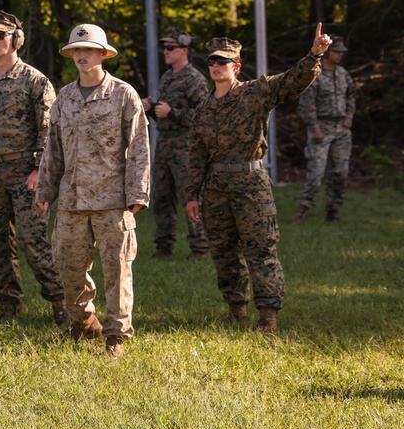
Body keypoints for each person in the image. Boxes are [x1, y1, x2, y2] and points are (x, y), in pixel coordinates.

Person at [186, 25, 331, 334]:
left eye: (223, 62)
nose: (216, 66)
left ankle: (268, 319)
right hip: (215, 188)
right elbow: (196, 154)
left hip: (250, 184)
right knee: (224, 253)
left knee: (261, 251)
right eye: (212, 61)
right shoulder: (203, 107)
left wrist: (315, 54)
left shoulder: (255, 91)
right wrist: (190, 195)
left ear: (236, 67)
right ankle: (236, 311)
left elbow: (293, 81)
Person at [37, 24, 150, 359]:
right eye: (76, 51)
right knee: (67, 266)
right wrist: (45, 190)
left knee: (117, 269)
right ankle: (84, 323)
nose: (81, 56)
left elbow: (139, 146)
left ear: (103, 54)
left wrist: (138, 194)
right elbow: (52, 150)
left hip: (113, 200)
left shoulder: (123, 94)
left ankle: (116, 335)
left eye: (88, 50)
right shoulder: (64, 99)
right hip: (72, 200)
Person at [0, 11, 66, 324]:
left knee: (33, 240)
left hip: (25, 171)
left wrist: (38, 170)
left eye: (0, 35)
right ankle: (9, 304)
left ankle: (59, 301)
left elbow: (50, 130)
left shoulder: (35, 81)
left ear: (16, 40)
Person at [142, 28, 211, 260]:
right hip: (164, 145)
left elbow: (204, 116)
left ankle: (200, 248)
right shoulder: (167, 77)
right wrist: (151, 109)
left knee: (190, 197)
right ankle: (163, 247)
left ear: (184, 50)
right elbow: (164, 114)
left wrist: (173, 113)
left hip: (186, 147)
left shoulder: (194, 79)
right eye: (164, 47)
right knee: (162, 198)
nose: (166, 51)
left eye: (170, 48)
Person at [295, 36, 356, 223]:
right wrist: (314, 128)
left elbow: (351, 96)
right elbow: (306, 104)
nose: (339, 55)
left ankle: (333, 211)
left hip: (341, 130)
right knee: (316, 172)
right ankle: (303, 211)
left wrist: (349, 116)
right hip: (322, 127)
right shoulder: (316, 74)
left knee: (340, 172)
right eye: (336, 52)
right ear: (328, 52)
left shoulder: (343, 74)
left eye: (341, 53)